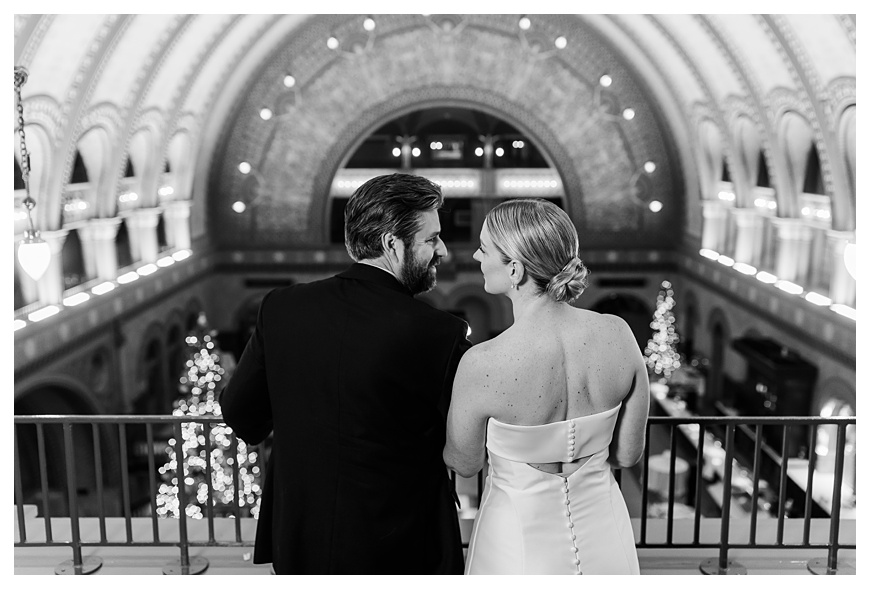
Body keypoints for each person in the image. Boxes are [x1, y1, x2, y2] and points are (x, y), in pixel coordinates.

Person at [220, 173, 470, 574]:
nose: (442, 250)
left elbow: (241, 415)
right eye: (431, 238)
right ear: (392, 243)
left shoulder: (282, 308)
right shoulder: (438, 332)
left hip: (300, 541)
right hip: (400, 548)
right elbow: (463, 444)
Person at [444, 198, 649, 575]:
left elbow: (465, 463)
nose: (476, 255)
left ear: (516, 270)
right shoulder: (618, 334)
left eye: (484, 248)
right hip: (604, 531)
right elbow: (627, 455)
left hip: (515, 543)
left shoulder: (484, 363)